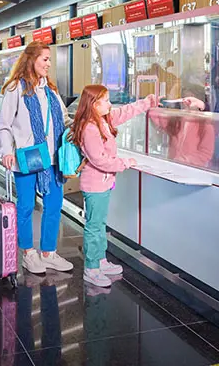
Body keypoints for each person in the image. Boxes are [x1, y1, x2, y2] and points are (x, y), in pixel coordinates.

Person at [0, 41, 73, 275]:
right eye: (45, 59)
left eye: (49, 59)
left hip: (53, 158)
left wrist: (79, 125)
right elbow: (4, 125)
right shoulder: (16, 88)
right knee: (26, 206)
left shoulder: (51, 90)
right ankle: (28, 253)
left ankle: (48, 252)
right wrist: (5, 150)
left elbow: (64, 119)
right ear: (31, 60)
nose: (49, 64)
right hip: (29, 157)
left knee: (54, 206)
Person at [69, 84, 157, 287]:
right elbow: (99, 160)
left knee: (100, 224)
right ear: (93, 104)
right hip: (95, 185)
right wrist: (124, 163)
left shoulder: (102, 120)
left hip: (104, 183)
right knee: (94, 226)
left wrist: (147, 102)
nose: (110, 104)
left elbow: (125, 112)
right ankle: (91, 268)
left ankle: (100, 260)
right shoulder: (90, 128)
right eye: (106, 101)